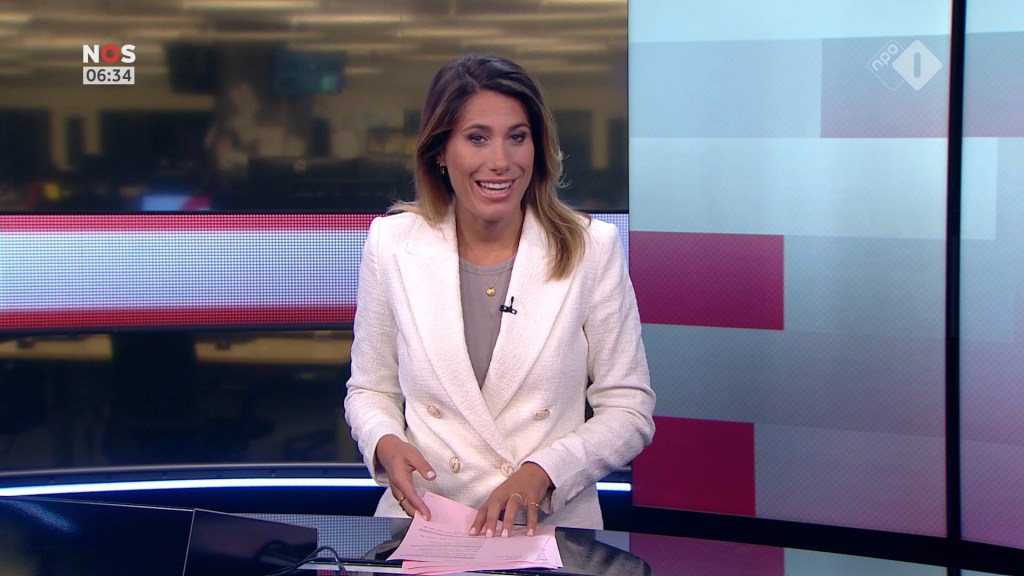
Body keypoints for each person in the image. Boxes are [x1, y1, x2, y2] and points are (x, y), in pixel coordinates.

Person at [344, 54, 655, 537]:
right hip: (424, 524)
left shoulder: (592, 248)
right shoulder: (391, 245)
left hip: (546, 530)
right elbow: (370, 390)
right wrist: (384, 441)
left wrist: (544, 473)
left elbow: (629, 409)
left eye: (517, 137)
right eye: (477, 138)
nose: (501, 162)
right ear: (440, 151)